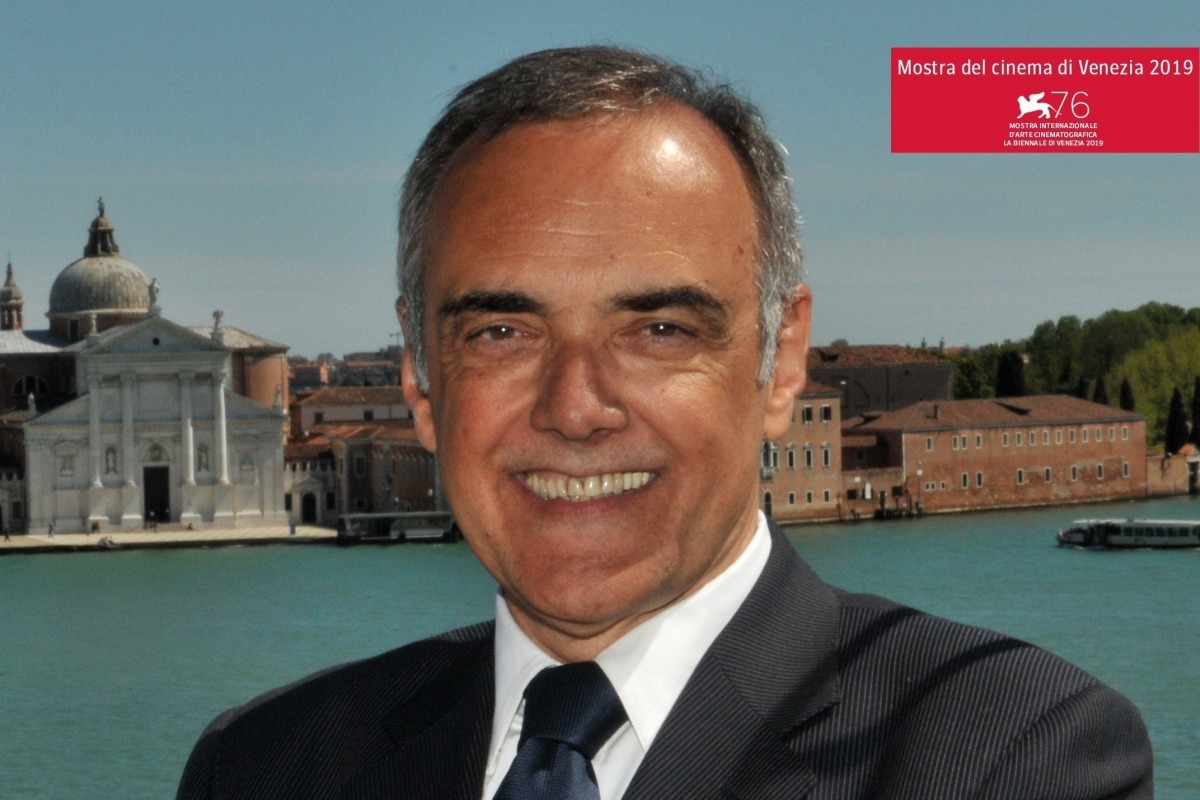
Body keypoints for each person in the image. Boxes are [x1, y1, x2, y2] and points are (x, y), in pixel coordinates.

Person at [178, 46, 1152, 799]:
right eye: (502, 331)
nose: (575, 408)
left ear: (781, 362)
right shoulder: (261, 766)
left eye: (658, 329)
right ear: (421, 382)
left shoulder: (1016, 757)